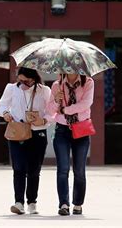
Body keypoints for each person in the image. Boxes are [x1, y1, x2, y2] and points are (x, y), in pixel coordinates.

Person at [0, 67, 52, 215]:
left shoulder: (44, 90)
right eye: (19, 80)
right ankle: (18, 202)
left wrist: (44, 120)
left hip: (37, 132)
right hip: (18, 132)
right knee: (19, 168)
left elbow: (51, 111)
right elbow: (1, 105)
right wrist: (5, 113)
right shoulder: (12, 88)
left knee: (34, 170)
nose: (21, 83)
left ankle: (32, 202)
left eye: (25, 81)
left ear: (33, 79)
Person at [47, 73, 94, 216]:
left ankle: (78, 203)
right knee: (63, 169)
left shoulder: (88, 83)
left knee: (79, 170)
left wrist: (64, 110)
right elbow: (50, 110)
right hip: (62, 130)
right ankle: (64, 204)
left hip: (81, 129)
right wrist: (56, 100)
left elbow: (86, 104)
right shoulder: (57, 85)